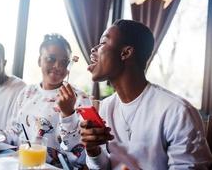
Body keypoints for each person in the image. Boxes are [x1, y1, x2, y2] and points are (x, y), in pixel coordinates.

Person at [80, 19, 212, 169]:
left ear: (126, 52)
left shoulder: (177, 112)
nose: (93, 49)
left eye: (103, 42)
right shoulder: (106, 107)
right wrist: (93, 150)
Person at [7, 34, 91, 168]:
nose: (57, 66)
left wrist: (68, 114)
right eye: (51, 59)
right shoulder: (27, 93)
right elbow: (13, 133)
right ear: (39, 60)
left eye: (64, 62)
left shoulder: (80, 98)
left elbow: (82, 155)